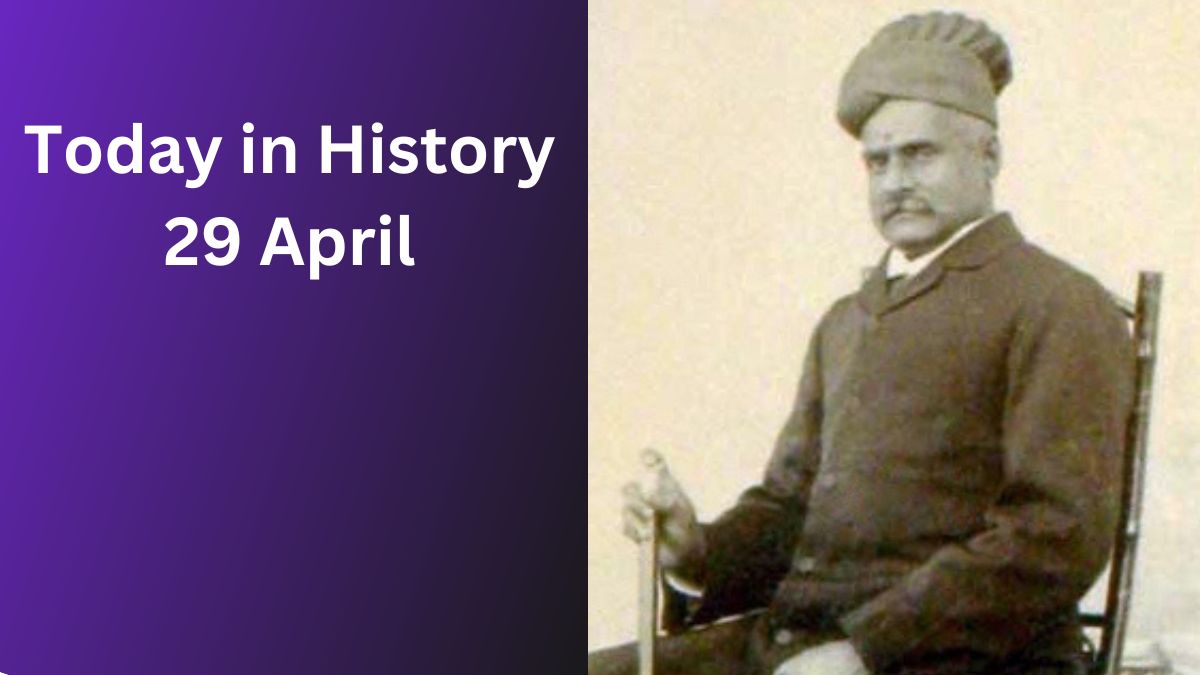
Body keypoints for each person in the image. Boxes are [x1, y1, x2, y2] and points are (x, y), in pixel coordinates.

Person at [588, 11, 1135, 675]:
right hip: (800, 646)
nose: (895, 180)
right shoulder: (845, 321)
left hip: (958, 658)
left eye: (920, 154)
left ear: (989, 156)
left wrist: (867, 648)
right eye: (878, 161)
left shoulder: (1057, 301)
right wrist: (695, 549)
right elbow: (789, 512)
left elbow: (1056, 534)